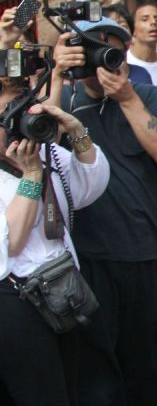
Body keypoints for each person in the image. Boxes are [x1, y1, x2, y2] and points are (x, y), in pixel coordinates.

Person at [49, 16, 157, 406]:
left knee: (145, 363)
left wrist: (126, 98)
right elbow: (40, 144)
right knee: (96, 371)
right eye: (91, 52)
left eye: (111, 52)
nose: (102, 62)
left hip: (145, 249)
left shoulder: (146, 94)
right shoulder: (67, 101)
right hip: (88, 256)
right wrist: (57, 75)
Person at [0, 64, 110, 405]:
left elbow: (92, 183)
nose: (14, 122)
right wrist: (32, 175)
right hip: (16, 305)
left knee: (69, 391)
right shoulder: (33, 163)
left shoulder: (43, 152)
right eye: (7, 115)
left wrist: (76, 131)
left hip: (61, 293)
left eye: (19, 109)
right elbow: (9, 242)